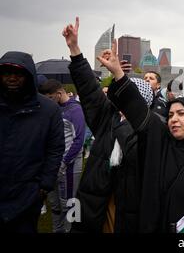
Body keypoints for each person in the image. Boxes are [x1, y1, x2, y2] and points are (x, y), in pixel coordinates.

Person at [93, 40, 184, 233]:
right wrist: (118, 74)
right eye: (171, 114)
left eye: (181, 114)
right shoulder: (162, 141)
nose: (174, 119)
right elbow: (138, 109)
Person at [62, 17, 153, 233]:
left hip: (130, 208)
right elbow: (90, 91)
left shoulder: (150, 131)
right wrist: (75, 49)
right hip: (95, 203)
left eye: (131, 99)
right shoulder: (107, 119)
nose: (124, 104)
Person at [0, 52, 65, 232]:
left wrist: (44, 184)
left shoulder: (48, 110)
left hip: (27, 194)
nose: (12, 78)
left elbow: (55, 149)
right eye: (6, 73)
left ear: (29, 76)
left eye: (18, 73)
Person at [39, 79, 86, 233]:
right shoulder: (55, 109)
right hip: (52, 164)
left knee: (71, 203)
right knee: (54, 203)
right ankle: (57, 229)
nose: (48, 102)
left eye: (50, 98)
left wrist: (64, 163)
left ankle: (72, 230)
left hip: (69, 166)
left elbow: (79, 141)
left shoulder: (76, 110)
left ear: (59, 94)